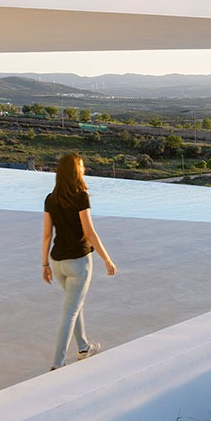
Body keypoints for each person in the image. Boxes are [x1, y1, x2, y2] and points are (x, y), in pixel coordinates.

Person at [41, 151, 117, 369]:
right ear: (75, 171)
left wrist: (44, 264)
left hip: (57, 263)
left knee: (74, 304)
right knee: (70, 312)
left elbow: (47, 234)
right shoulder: (81, 196)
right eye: (82, 166)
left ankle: (84, 348)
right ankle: (58, 363)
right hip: (78, 263)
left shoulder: (50, 199)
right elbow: (90, 233)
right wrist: (107, 260)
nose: (84, 169)